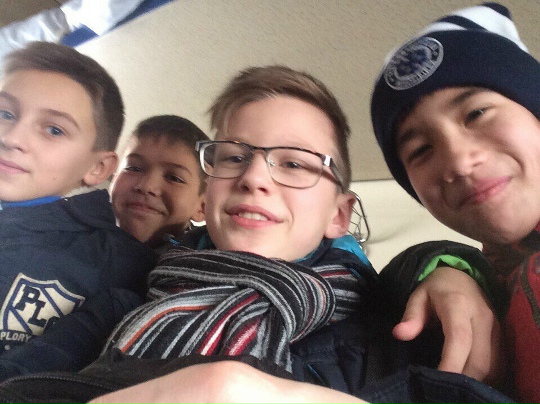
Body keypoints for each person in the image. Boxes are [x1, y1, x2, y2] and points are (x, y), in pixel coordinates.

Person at [0, 65, 379, 404]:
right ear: (209, 192)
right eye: (234, 157)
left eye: (294, 163)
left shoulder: (387, 326)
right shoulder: (121, 303)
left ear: (339, 215)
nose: (253, 177)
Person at [371, 2, 540, 402]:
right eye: (421, 150)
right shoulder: (494, 294)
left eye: (477, 113)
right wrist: (446, 267)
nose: (460, 162)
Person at [0, 41, 155, 379]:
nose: (12, 138)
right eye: (5, 113)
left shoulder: (112, 260)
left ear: (98, 168)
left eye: (54, 130)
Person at [110, 114, 207, 249]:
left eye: (174, 178)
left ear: (202, 207)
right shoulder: (81, 230)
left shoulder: (201, 259)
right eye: (133, 168)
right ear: (114, 177)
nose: (146, 186)